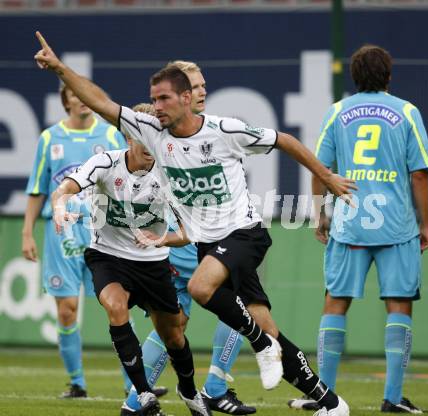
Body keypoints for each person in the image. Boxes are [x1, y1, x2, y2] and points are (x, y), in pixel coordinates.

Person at [34, 31, 356, 416]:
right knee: (262, 324)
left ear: (186, 98)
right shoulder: (151, 135)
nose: (157, 107)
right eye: (153, 100)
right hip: (208, 244)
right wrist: (59, 70)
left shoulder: (224, 131)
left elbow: (285, 140)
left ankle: (252, 352)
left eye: (164, 98)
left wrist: (329, 178)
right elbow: (99, 101)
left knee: (199, 288)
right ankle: (330, 401)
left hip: (244, 234)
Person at [288, 44, 428, 414]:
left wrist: (321, 215)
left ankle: (324, 396)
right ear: (388, 76)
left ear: (354, 77)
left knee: (335, 302)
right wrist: (424, 222)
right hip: (397, 227)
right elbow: (419, 173)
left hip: (351, 224)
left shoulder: (337, 112)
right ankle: (393, 398)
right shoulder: (406, 111)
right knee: (398, 304)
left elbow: (321, 169)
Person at [50, 121, 212, 416]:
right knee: (115, 307)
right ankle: (145, 394)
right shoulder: (106, 163)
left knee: (174, 335)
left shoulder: (169, 174)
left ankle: (188, 390)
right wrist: (61, 205)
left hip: (153, 264)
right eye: (144, 138)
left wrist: (161, 238)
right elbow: (66, 187)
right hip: (107, 256)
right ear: (128, 138)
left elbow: (189, 233)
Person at [122, 62, 255, 416]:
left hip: (180, 241)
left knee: (174, 323)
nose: (202, 92)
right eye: (195, 86)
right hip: (192, 242)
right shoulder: (176, 137)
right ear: (182, 94)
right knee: (238, 305)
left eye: (203, 85)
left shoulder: (198, 132)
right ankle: (213, 388)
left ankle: (136, 398)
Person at [22, 83, 126, 398]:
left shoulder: (110, 136)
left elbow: (125, 181)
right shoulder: (50, 138)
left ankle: (133, 382)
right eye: (75, 96)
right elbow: (38, 188)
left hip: (101, 232)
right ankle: (77, 382)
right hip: (61, 233)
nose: (83, 101)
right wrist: (27, 232)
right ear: (65, 101)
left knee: (117, 306)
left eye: (87, 96)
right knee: (67, 308)